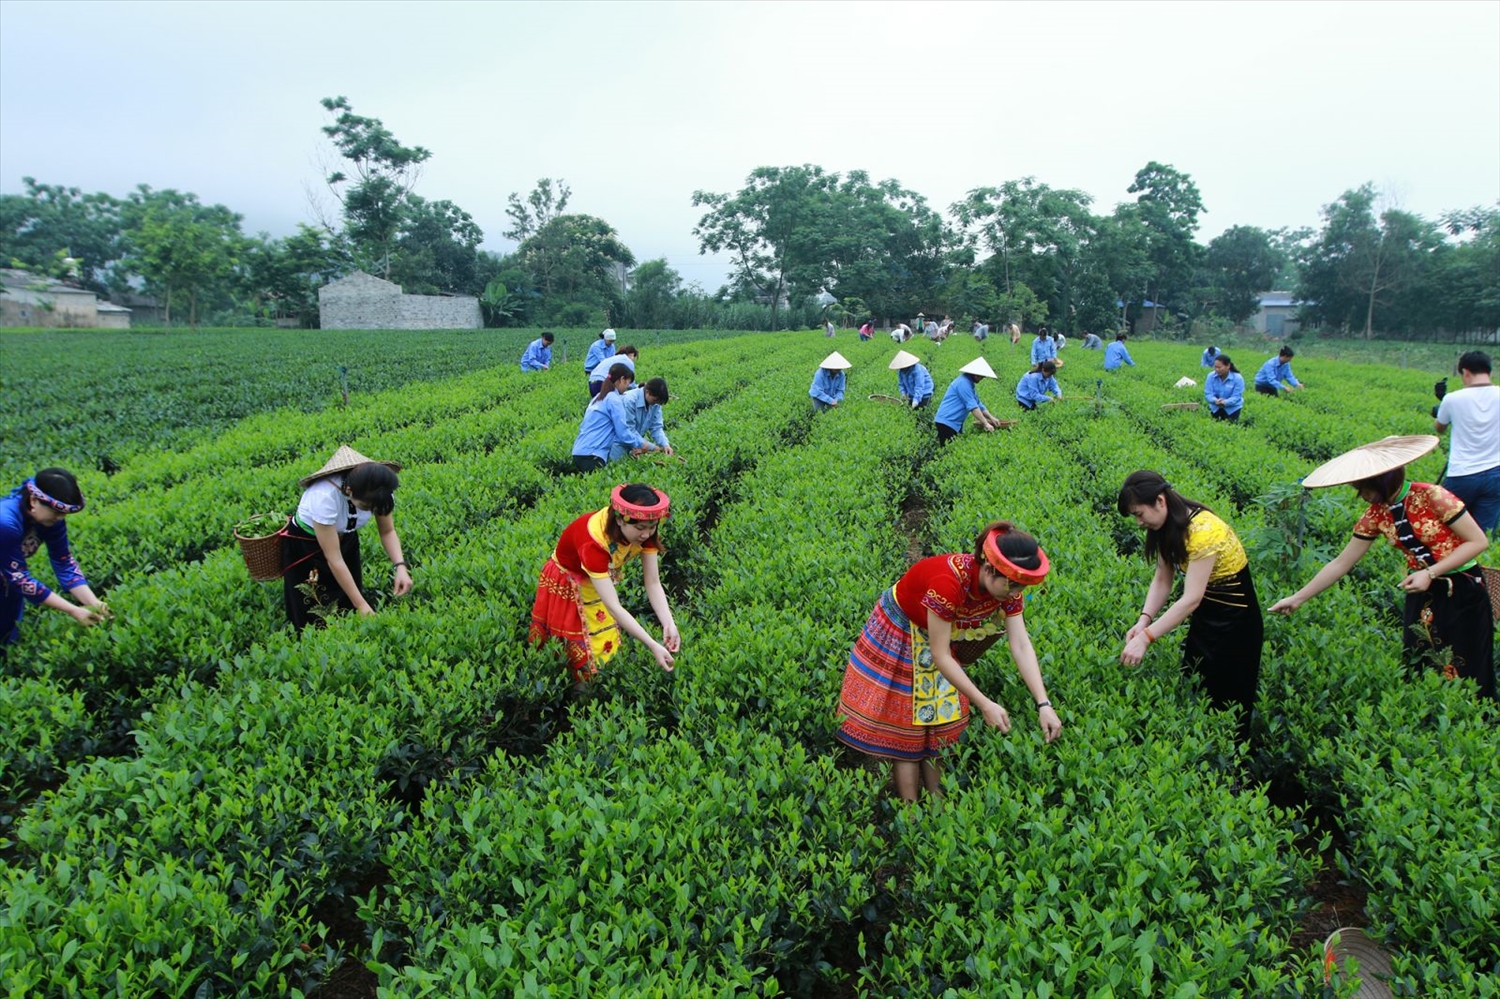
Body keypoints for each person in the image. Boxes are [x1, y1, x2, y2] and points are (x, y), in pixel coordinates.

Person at [835, 521, 1062, 802]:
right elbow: (941, 655)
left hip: (939, 631)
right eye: (1012, 585)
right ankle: (910, 811)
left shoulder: (1007, 590)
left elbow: (1021, 644)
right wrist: (984, 703)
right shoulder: (949, 583)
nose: (1016, 593)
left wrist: (1044, 704)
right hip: (904, 627)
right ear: (990, 569)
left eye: (1021, 587)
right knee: (909, 727)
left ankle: (936, 804)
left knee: (942, 720)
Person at [1269, 435, 1494, 700]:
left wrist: (1431, 572)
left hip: (1462, 588)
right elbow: (1342, 562)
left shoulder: (1432, 496)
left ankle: (1474, 721)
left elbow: (1478, 541)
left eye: (1365, 488)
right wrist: (1298, 598)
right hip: (1421, 592)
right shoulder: (1376, 514)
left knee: (1468, 662)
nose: (1362, 495)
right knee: (1419, 659)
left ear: (1383, 480)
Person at [1117, 471, 1263, 741]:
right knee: (1196, 684)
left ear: (1160, 501)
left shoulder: (1204, 532)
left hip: (1236, 623)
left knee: (1229, 698)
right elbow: (1162, 580)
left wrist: (1146, 639)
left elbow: (1191, 598)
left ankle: (1232, 770)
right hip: (1207, 617)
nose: (1138, 522)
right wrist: (1143, 620)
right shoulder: (1165, 527)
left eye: (1139, 514)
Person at [529, 483, 679, 684]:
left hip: (597, 577)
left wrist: (669, 622)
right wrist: (652, 644)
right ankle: (579, 697)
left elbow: (652, 582)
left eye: (652, 528)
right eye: (640, 528)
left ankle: (599, 688)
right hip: (570, 580)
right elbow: (614, 608)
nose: (646, 535)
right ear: (619, 520)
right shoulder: (593, 543)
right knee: (582, 647)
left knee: (603, 640)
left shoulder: (646, 532)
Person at [283, 447, 411, 633]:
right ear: (349, 491)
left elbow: (387, 531)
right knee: (312, 605)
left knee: (347, 597)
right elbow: (334, 559)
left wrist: (400, 567)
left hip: (346, 538)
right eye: (366, 507)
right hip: (307, 545)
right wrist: (362, 605)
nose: (370, 511)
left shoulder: (379, 491)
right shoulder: (324, 497)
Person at [2, 468, 109, 646]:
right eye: (56, 513)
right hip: (9, 579)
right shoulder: (5, 522)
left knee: (7, 640)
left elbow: (63, 561)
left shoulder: (50, 519)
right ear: (33, 500)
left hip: (6, 584)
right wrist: (73, 610)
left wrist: (93, 602)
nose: (60, 518)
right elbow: (19, 579)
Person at [1433, 350, 1499, 535]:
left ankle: (1446, 563)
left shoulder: (1453, 399)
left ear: (1466, 372)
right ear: (1489, 372)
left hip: (1463, 474)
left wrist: (1442, 405)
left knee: (1441, 526)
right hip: (1496, 474)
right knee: (1482, 535)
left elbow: (1440, 427)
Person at [573, 363, 658, 471]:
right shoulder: (614, 400)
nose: (628, 387)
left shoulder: (598, 397)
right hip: (593, 455)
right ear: (622, 379)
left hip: (579, 451)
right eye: (628, 383)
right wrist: (646, 445)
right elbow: (623, 433)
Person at [934, 357, 1003, 443]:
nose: (982, 379)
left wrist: (991, 418)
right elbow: (973, 407)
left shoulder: (968, 383)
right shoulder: (963, 383)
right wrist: (985, 424)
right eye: (981, 377)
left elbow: (978, 405)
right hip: (947, 422)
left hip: (954, 423)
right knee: (947, 449)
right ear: (976, 374)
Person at [609, 377, 673, 462]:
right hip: (618, 444)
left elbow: (656, 427)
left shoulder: (655, 404)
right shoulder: (630, 400)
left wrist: (665, 445)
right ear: (647, 392)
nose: (656, 404)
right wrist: (653, 447)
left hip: (635, 444)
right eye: (655, 400)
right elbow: (629, 431)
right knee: (615, 468)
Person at [1204, 354, 1246, 422]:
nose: (1217, 370)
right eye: (1215, 367)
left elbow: (1236, 396)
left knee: (1231, 427)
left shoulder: (1238, 378)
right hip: (1215, 408)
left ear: (1228, 366)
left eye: (1219, 367)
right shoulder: (1211, 376)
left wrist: (1225, 402)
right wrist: (1215, 400)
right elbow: (1208, 394)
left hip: (1232, 409)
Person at [583, 328, 617, 394]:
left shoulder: (612, 346)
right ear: (605, 339)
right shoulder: (596, 346)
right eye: (610, 341)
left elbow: (612, 358)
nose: (611, 343)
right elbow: (603, 361)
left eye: (613, 341)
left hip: (603, 367)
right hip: (592, 368)